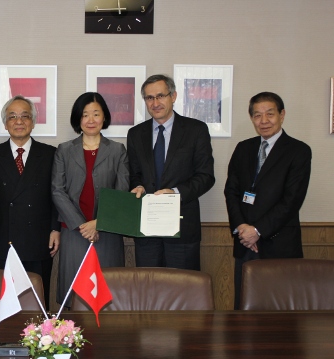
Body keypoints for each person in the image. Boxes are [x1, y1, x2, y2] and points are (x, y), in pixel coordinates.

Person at [224, 91, 312, 309]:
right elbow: (231, 191)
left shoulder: (298, 151)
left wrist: (258, 230)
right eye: (257, 115)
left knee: (280, 312)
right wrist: (242, 227)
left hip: (279, 244)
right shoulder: (243, 148)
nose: (263, 121)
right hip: (245, 244)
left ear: (282, 115)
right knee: (244, 308)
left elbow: (292, 201)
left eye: (269, 114)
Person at [127, 74, 215, 270]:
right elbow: (134, 174)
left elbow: (206, 176)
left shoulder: (196, 130)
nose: (155, 103)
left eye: (161, 96)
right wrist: (138, 186)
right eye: (150, 98)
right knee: (148, 291)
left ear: (173, 96)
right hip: (147, 229)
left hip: (182, 229)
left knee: (183, 292)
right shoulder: (135, 134)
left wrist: (175, 193)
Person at [52, 92, 129, 307]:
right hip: (74, 232)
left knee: (109, 294)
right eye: (85, 115)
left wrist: (99, 223)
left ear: (104, 117)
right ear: (78, 119)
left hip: (107, 232)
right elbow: (57, 191)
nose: (91, 120)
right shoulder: (64, 151)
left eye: (96, 114)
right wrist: (83, 225)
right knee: (74, 295)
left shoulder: (117, 151)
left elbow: (121, 192)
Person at [0, 95, 60, 309]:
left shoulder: (51, 154)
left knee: (37, 302)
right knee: (5, 302)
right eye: (12, 117)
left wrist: (55, 228)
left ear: (33, 122)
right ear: (5, 124)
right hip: (1, 238)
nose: (19, 121)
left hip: (39, 238)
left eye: (25, 116)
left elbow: (57, 196)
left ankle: (40, 340)